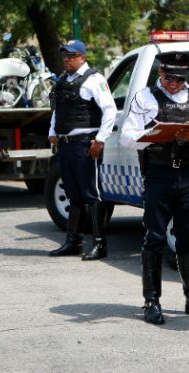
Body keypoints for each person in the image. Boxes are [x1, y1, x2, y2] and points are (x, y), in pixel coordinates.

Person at [120, 51, 189, 325]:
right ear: (160, 73)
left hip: (188, 176)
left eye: (179, 79)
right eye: (169, 78)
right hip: (158, 175)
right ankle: (151, 301)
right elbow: (126, 136)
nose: (174, 84)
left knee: (188, 236)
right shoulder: (144, 97)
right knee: (154, 237)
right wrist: (152, 136)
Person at [48, 40, 116, 260]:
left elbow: (110, 110)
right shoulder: (62, 81)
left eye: (71, 55)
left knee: (92, 195)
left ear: (83, 57)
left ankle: (100, 244)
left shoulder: (94, 80)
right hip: (66, 144)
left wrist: (100, 140)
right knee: (73, 195)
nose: (67, 59)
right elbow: (57, 110)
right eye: (64, 56)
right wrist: (52, 131)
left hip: (86, 144)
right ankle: (73, 242)